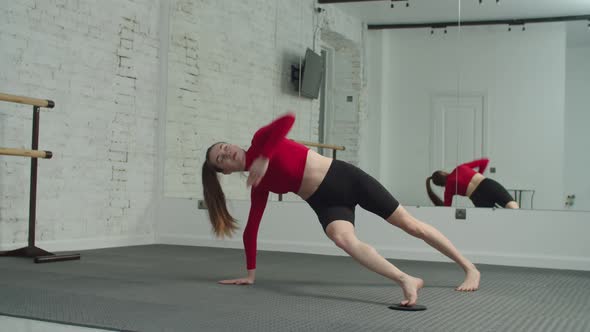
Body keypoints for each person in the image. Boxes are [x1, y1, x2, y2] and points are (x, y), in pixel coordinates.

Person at [202, 113, 480, 307]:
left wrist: (263, 158)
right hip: (325, 202)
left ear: (234, 144)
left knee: (410, 225)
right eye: (221, 159)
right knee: (342, 238)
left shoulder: (261, 138)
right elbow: (252, 229)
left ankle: (469, 268)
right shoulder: (258, 185)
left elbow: (287, 120)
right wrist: (250, 274)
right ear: (225, 171)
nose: (227, 154)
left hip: (344, 178)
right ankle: (406, 279)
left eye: (225, 147)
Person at [426, 158, 519, 209]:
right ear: (444, 172)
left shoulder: (448, 189)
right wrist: (479, 175)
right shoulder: (460, 168)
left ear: (441, 185)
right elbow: (484, 161)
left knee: (495, 221)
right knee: (513, 209)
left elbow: (447, 209)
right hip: (487, 185)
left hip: (477, 198)